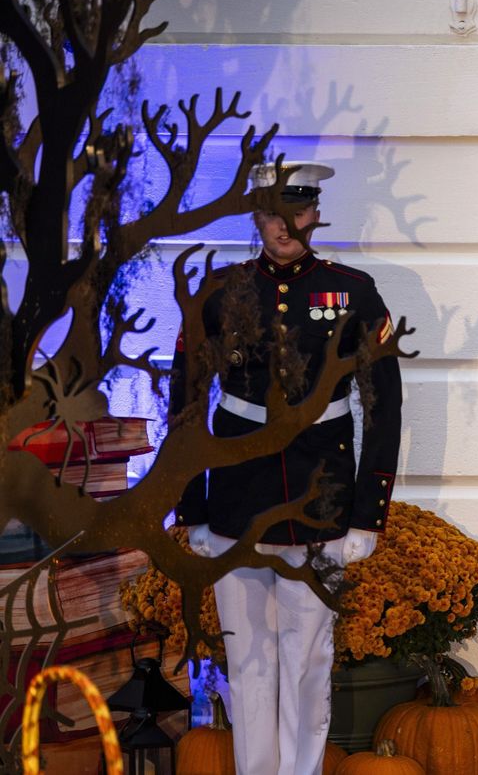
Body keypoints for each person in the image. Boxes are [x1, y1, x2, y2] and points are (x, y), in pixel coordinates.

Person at [171, 162, 402, 775]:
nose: (284, 225)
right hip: (237, 501)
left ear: (314, 213)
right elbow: (186, 405)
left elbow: (384, 405)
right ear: (257, 216)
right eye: (272, 212)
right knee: (245, 663)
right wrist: (191, 503)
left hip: (319, 494)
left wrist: (366, 513)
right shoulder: (220, 292)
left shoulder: (352, 290)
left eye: (296, 211)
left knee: (306, 661)